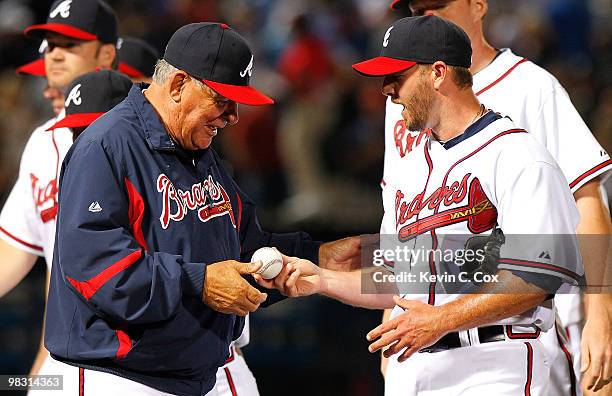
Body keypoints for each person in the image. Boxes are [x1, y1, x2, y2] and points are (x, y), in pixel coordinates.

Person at [259, 15, 584, 396]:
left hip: (494, 366)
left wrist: (440, 320)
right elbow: (402, 277)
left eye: (397, 75)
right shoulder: (411, 168)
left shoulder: (517, 155)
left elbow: (538, 277)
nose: (387, 89)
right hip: (414, 369)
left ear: (438, 73)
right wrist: (322, 280)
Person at [44, 22, 360, 396]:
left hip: (190, 376)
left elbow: (242, 248)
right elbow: (96, 269)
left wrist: (318, 255)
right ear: (178, 85)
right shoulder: (107, 146)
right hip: (118, 378)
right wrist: (199, 281)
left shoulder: (198, 152)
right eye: (222, 99)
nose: (233, 116)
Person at [381, 1, 612, 394]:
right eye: (416, 9)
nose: (426, 16)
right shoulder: (405, 98)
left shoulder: (530, 86)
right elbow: (400, 221)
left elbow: (588, 202)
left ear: (478, 5)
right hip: (434, 341)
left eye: (438, 5)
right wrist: (392, 313)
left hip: (534, 323)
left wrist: (602, 315)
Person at [0, 0, 119, 378]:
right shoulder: (41, 142)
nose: (54, 56)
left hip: (143, 359)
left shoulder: (140, 128)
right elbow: (14, 251)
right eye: (50, 45)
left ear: (106, 54)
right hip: (73, 359)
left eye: (69, 45)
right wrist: (46, 357)